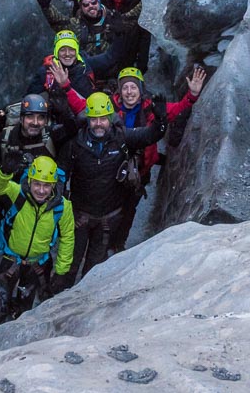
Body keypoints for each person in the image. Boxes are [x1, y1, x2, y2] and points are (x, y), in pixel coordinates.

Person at [53, 87, 166, 282]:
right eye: (94, 119)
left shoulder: (121, 137)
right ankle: (59, 296)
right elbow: (60, 174)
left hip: (108, 219)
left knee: (94, 270)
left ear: (110, 119)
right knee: (70, 264)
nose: (99, 124)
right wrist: (61, 209)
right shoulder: (74, 144)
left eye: (103, 119)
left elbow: (149, 136)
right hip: (80, 217)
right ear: (87, 120)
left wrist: (160, 120)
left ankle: (85, 305)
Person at [101, 66, 206, 253]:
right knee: (109, 209)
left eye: (133, 87)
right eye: (125, 88)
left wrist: (192, 95)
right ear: (119, 90)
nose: (129, 92)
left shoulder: (151, 108)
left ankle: (118, 244)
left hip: (140, 171)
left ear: (140, 90)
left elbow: (178, 109)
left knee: (129, 209)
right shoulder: (109, 109)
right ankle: (104, 244)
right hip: (112, 168)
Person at [0, 155, 76, 317]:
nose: (41, 190)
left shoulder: (62, 207)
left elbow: (67, 237)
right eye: (37, 184)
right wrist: (3, 172)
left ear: (53, 185)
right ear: (29, 181)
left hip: (36, 264)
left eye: (46, 186)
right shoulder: (18, 193)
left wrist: (61, 270)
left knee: (24, 309)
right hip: (8, 259)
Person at [0, 94, 76, 217]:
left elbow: (72, 130)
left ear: (46, 121)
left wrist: (64, 112)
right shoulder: (6, 138)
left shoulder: (50, 136)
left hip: (45, 203)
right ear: (21, 119)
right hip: (14, 203)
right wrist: (5, 173)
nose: (35, 123)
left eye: (41, 118)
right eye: (30, 117)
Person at [34, 0, 116, 59]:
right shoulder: (76, 24)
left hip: (112, 67)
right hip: (87, 69)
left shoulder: (113, 20)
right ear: (81, 7)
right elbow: (57, 21)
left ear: (99, 2)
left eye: (93, 2)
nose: (91, 6)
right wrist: (47, 7)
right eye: (86, 5)